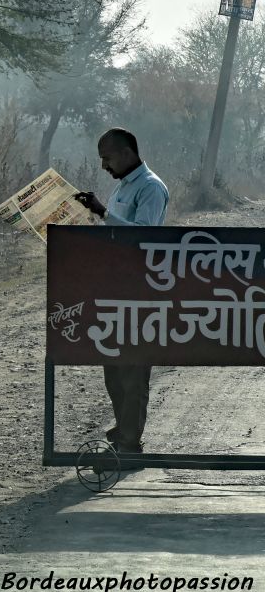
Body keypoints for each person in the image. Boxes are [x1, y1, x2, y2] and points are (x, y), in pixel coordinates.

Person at [74, 127, 169, 463]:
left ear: (127, 153)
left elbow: (142, 238)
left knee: (133, 370)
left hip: (140, 291)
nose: (104, 166)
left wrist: (101, 213)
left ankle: (131, 442)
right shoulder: (122, 188)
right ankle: (123, 433)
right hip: (114, 289)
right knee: (113, 368)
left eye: (107, 158)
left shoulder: (151, 188)